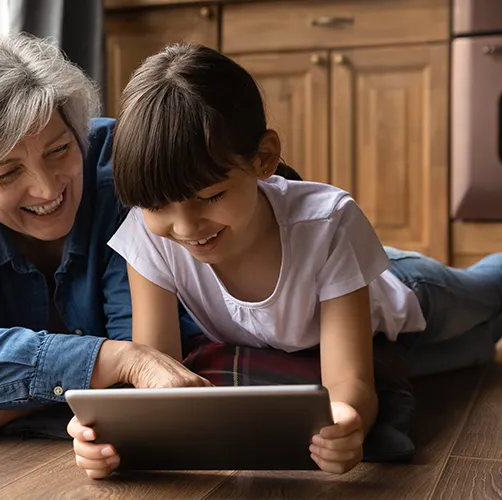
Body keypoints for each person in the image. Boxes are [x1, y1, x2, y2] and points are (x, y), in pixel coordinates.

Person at [68, 43, 502, 478]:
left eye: (210, 197)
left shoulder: (327, 221)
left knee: (490, 292)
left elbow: (348, 382)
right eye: (159, 206)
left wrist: (347, 419)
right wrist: (109, 441)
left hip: (404, 293)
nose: (185, 228)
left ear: (264, 158)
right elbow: (160, 370)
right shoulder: (147, 236)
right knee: (480, 350)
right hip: (369, 347)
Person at [0, 34, 217, 449]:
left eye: (59, 150)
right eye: (7, 173)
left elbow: (145, 379)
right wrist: (115, 359)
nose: (47, 188)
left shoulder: (126, 172)